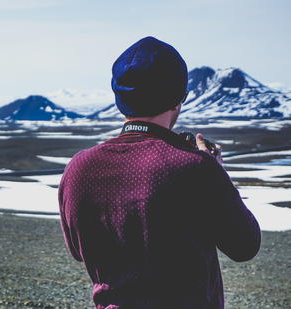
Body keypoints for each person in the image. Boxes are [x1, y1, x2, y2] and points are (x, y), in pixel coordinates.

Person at [58, 36, 261, 309]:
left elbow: (78, 251)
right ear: (178, 99)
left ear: (119, 98)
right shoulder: (195, 167)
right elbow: (244, 245)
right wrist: (218, 173)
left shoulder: (79, 168)